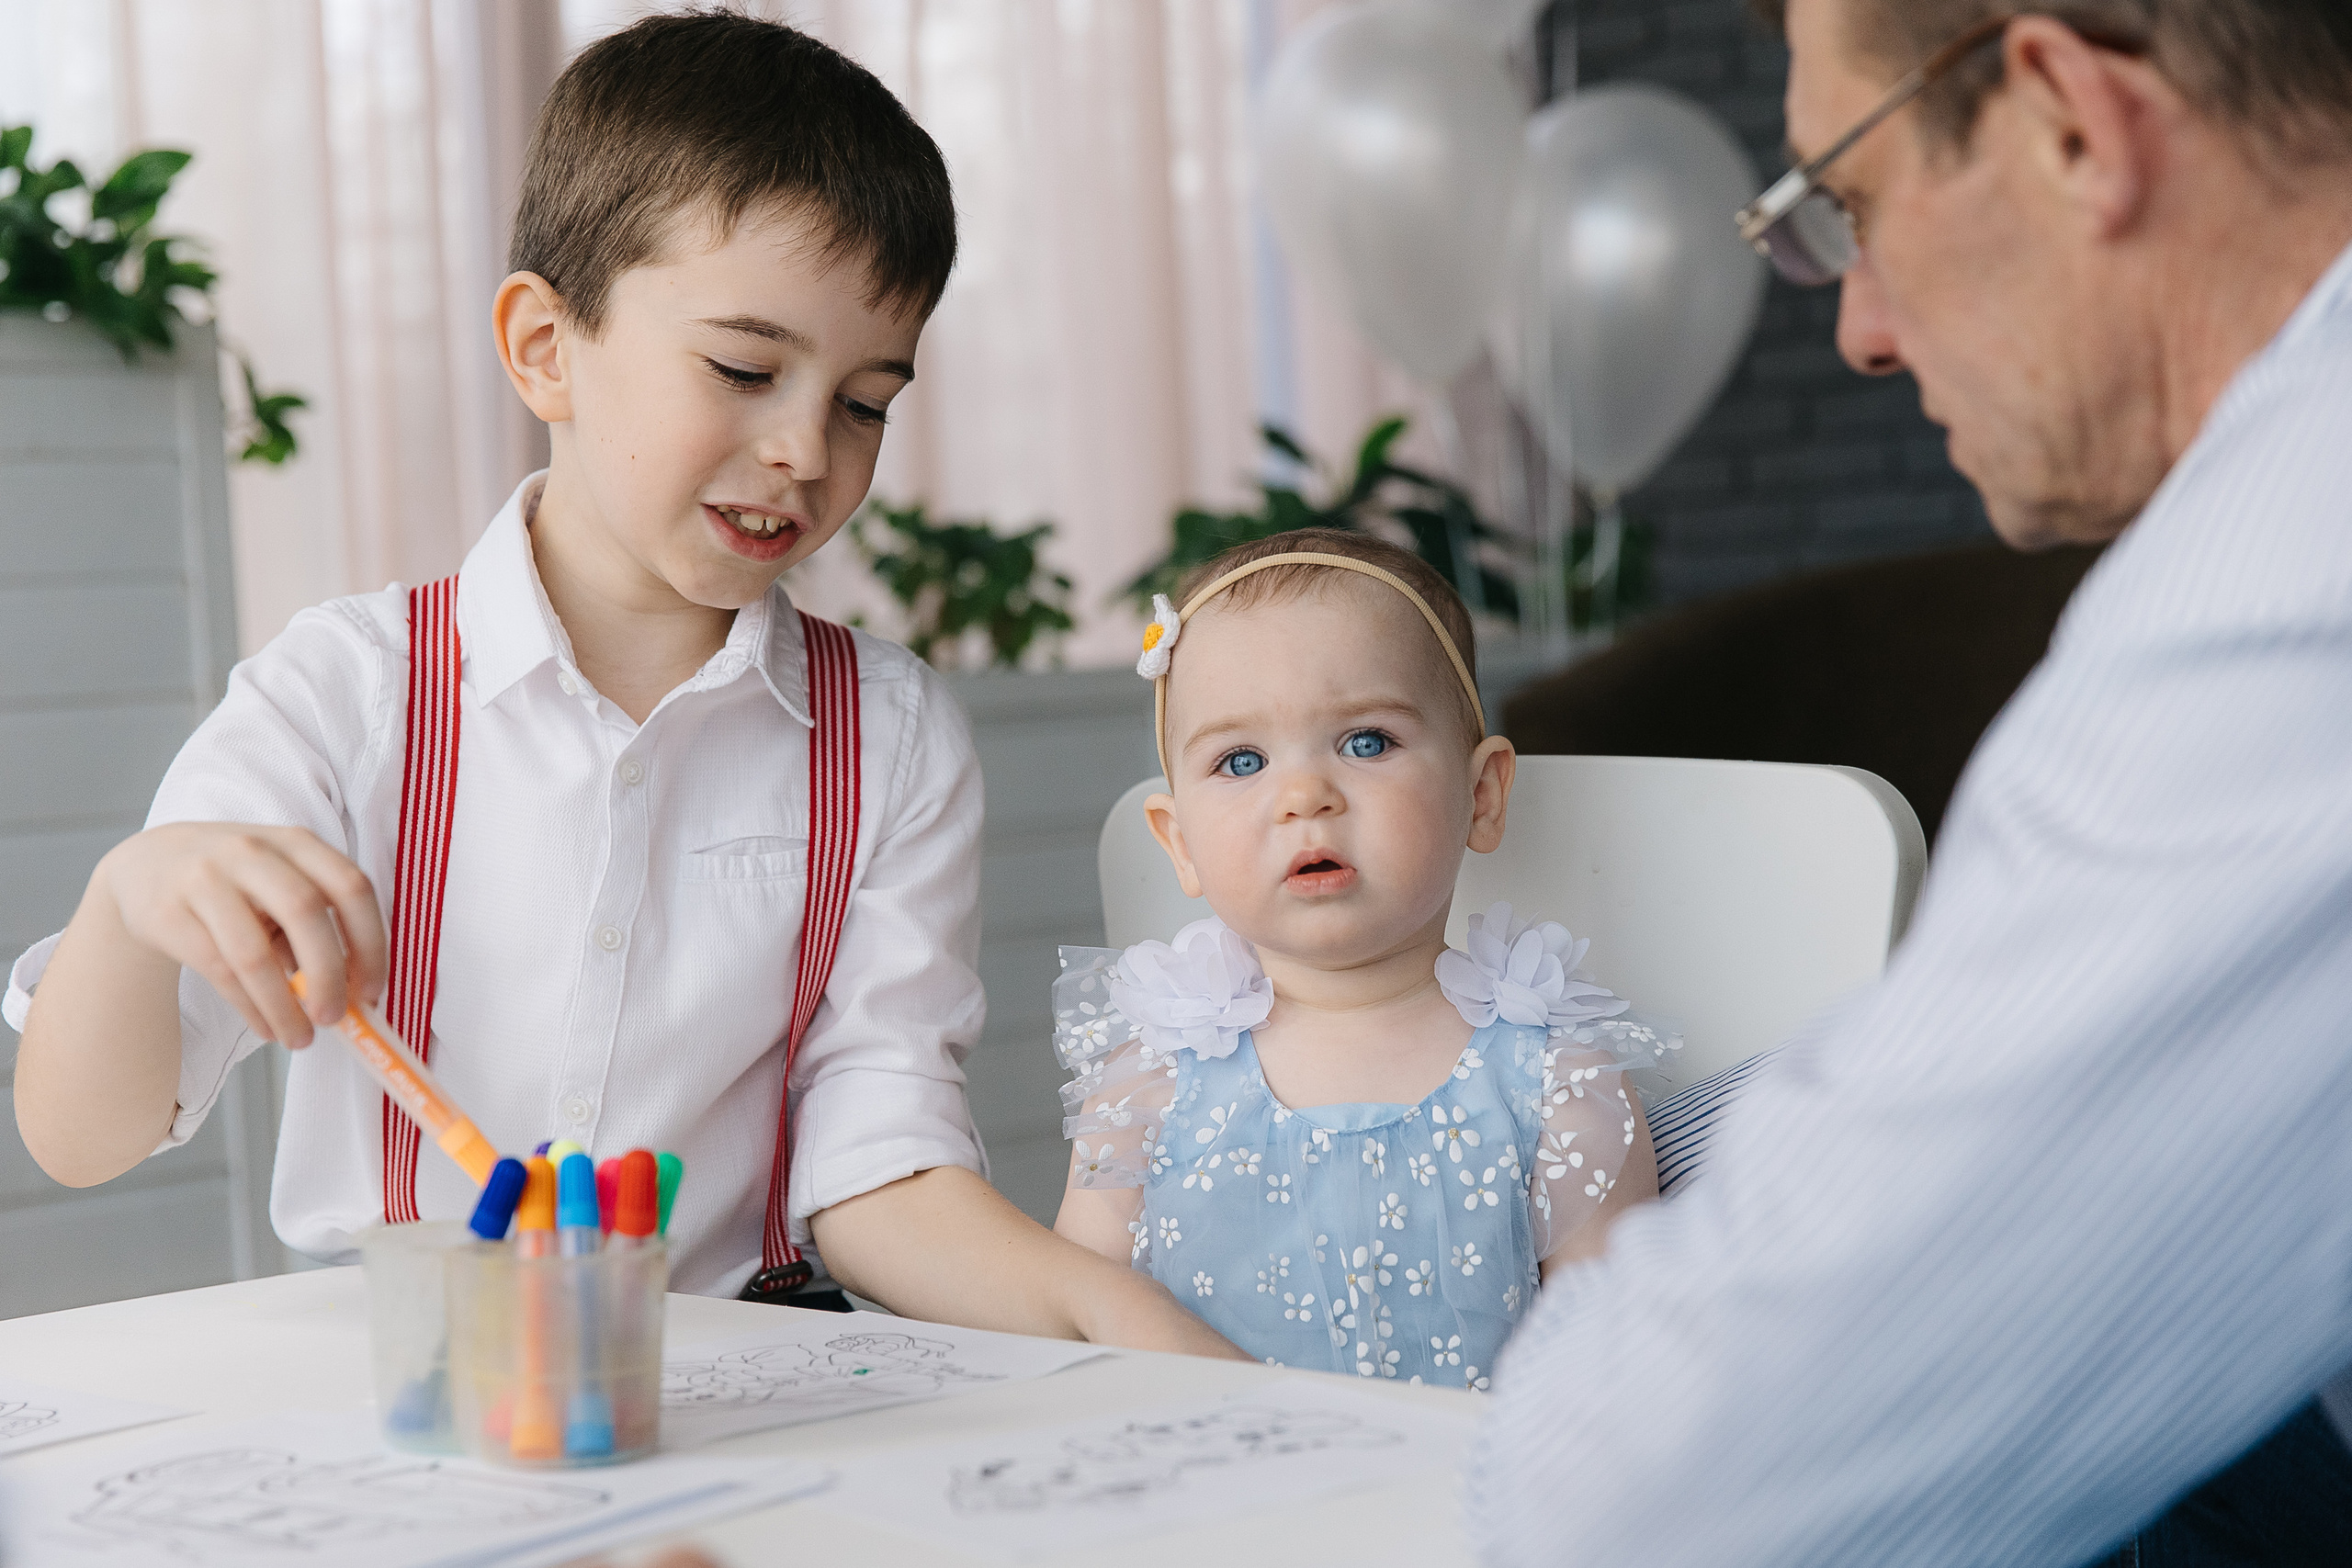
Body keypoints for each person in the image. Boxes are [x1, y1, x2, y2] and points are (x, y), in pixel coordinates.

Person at [5, 12, 1230, 1358]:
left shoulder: (890, 737)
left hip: (744, 1383)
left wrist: (1108, 1311)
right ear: (544, 345)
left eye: (867, 399)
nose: (803, 448)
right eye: (746, 368)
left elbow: (877, 1168)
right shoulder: (346, 694)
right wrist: (134, 891)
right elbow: (82, 1132)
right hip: (408, 1379)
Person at [1472, 2, 2352, 1565]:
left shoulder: (2292, 571)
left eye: (1850, 206)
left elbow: (1655, 1493)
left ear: (2070, 119)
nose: (1861, 326)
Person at [1051, 530, 1677, 1377]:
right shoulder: (1148, 1083)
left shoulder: (1556, 1086)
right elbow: (1071, 1333)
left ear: (1482, 795)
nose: (1305, 795)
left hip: (1461, 1498)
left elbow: (1621, 1374)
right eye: (1241, 760)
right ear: (1180, 842)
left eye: (1367, 742)